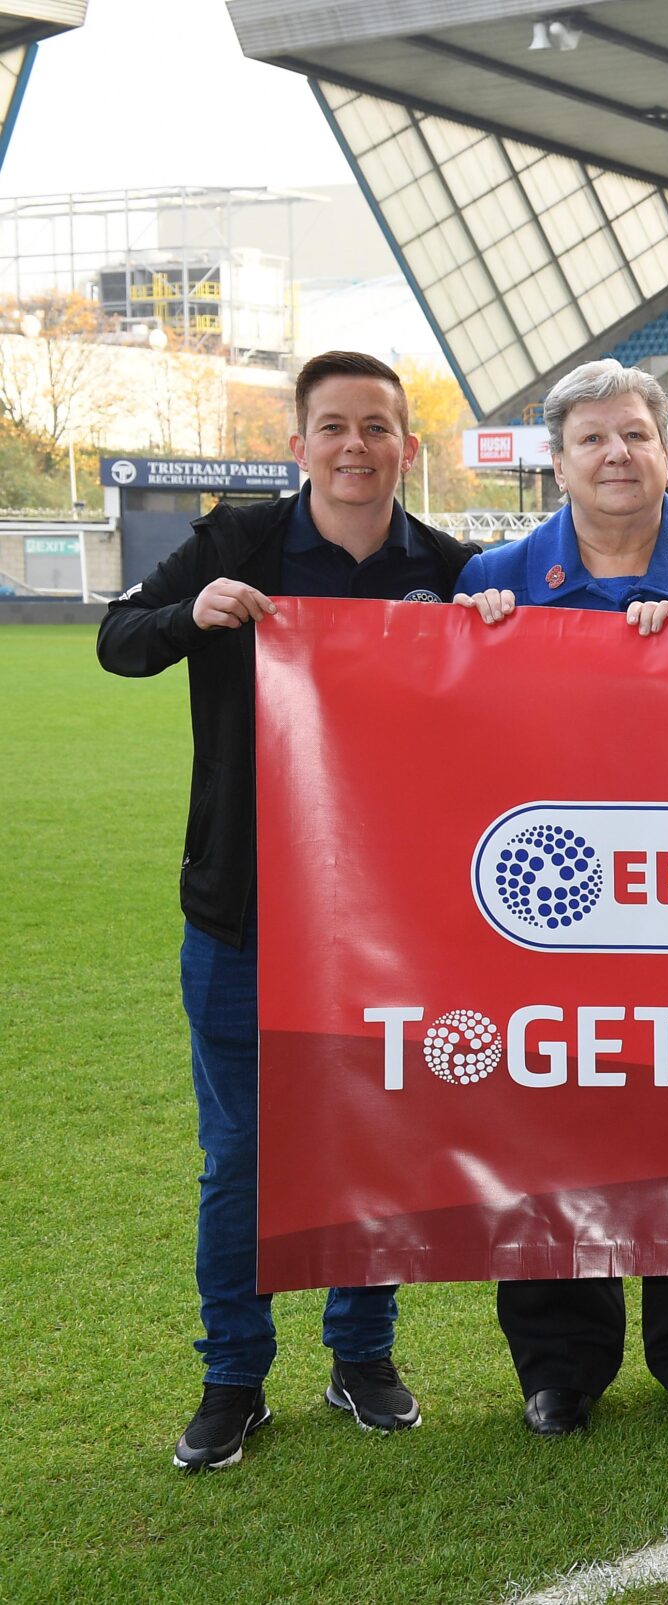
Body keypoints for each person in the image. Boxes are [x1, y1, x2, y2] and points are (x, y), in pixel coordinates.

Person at [99, 351, 474, 1471]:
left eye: (377, 427)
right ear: (300, 443)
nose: (356, 446)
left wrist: (495, 622)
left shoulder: (454, 568)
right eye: (334, 427)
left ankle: (362, 1356)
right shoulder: (238, 540)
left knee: (374, 1139)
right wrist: (191, 612)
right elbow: (120, 639)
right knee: (240, 1156)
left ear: (407, 445)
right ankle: (234, 1377)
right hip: (245, 909)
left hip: (391, 920)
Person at [454, 359, 668, 1434]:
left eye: (636, 434)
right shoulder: (495, 579)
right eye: (592, 438)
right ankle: (560, 1363)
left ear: (667, 450)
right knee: (549, 1126)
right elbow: (445, 741)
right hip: (547, 910)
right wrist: (468, 642)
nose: (617, 455)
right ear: (556, 461)